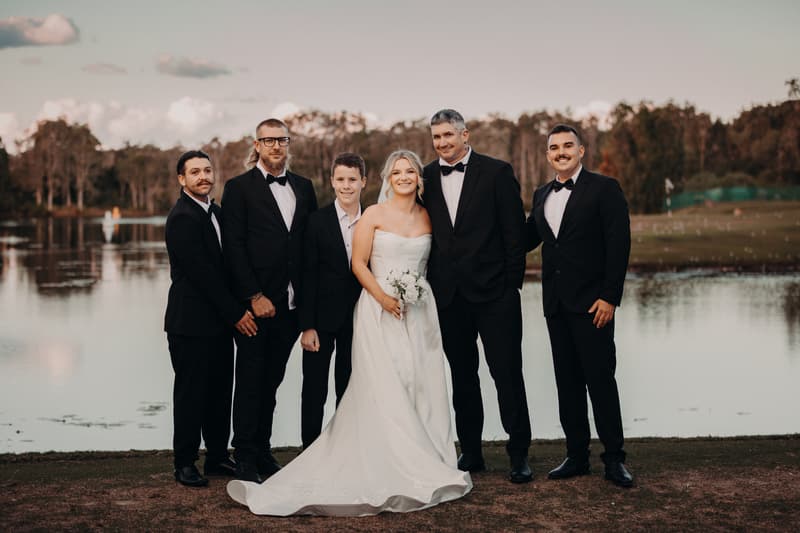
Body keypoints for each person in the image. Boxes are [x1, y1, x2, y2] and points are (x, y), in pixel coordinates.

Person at [227, 150, 472, 516]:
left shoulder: (428, 216)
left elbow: (439, 259)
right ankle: (312, 450)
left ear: (365, 181)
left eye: (410, 172)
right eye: (398, 171)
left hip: (416, 313)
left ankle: (423, 451)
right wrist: (315, 320)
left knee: (415, 380)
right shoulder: (345, 217)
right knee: (331, 388)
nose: (403, 177)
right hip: (359, 313)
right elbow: (336, 268)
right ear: (387, 178)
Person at [421, 109, 532, 483]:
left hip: (495, 294)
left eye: (448, 135)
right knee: (463, 376)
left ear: (465, 135)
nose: (442, 143)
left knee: (506, 374)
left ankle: (519, 454)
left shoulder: (497, 172)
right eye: (436, 137)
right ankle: (471, 451)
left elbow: (515, 234)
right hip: (449, 297)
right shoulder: (425, 177)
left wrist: (511, 284)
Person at [524, 124, 634, 487]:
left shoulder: (604, 189)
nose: (560, 152)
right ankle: (576, 456)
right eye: (554, 147)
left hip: (593, 306)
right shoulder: (541, 195)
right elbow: (524, 239)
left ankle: (614, 459)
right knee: (567, 384)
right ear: (548, 155)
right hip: (555, 306)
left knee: (600, 382)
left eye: (567, 145)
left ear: (582, 150)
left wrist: (610, 297)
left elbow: (618, 246)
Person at [221, 119, 318, 483]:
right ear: (257, 145)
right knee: (249, 381)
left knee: (273, 381)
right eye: (269, 140)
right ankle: (243, 455)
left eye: (282, 140)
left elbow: (307, 248)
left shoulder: (304, 188)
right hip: (256, 307)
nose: (276, 146)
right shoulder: (238, 188)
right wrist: (254, 296)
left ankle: (262, 451)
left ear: (288, 143)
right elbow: (234, 247)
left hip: (292, 308)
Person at [164, 150, 258, 487]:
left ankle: (217, 457)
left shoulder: (215, 212)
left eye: (207, 170)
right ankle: (184, 462)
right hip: (189, 324)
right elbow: (203, 275)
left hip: (219, 325)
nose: (203, 177)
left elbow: (229, 267)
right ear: (182, 179)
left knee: (220, 392)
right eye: (195, 172)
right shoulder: (182, 218)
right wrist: (237, 314)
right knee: (191, 395)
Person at [298, 153, 366, 448]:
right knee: (314, 389)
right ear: (332, 182)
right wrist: (307, 326)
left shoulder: (374, 220)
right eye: (340, 179)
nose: (346, 186)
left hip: (359, 318)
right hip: (321, 320)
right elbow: (306, 275)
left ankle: (345, 447)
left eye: (352, 179)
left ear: (364, 181)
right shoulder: (316, 221)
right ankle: (310, 449)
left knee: (349, 387)